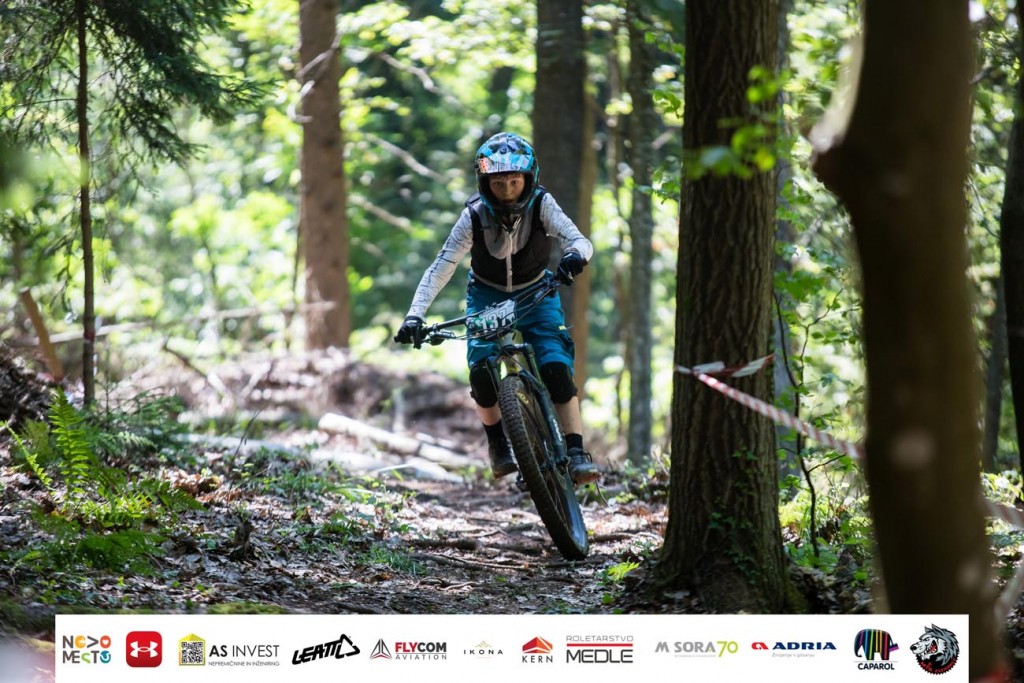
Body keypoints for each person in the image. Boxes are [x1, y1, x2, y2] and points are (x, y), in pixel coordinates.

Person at [394, 131, 600, 486]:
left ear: (528, 179)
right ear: (485, 183)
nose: (507, 190)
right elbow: (442, 266)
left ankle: (577, 452)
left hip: (537, 291)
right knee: (481, 373)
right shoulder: (473, 215)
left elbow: (579, 240)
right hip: (486, 296)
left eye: (514, 181)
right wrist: (415, 314)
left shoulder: (542, 204)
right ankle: (498, 445)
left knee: (556, 366)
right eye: (499, 182)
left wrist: (574, 256)